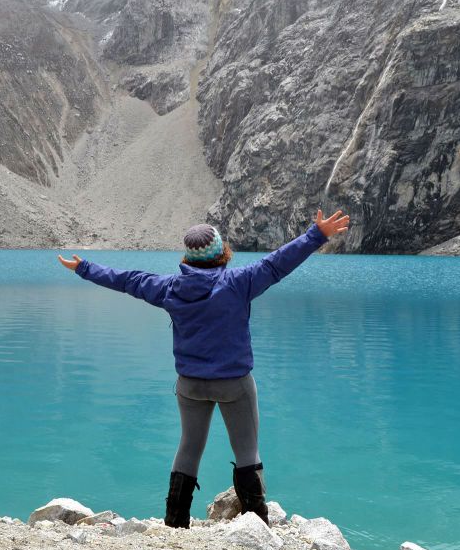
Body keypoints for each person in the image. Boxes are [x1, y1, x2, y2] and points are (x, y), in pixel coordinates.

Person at [57, 209, 350, 528]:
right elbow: (278, 263)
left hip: (190, 385)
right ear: (222, 251)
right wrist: (316, 234)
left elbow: (128, 280)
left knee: (189, 447)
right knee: (247, 452)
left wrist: (84, 268)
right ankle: (257, 523)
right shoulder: (241, 282)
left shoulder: (169, 288)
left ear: (188, 257)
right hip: (234, 384)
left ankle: (175, 520)